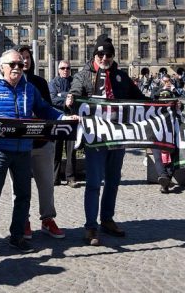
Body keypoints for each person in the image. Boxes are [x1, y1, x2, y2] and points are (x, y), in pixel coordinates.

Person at [0, 49, 76, 255]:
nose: (17, 68)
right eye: (12, 64)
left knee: (23, 196)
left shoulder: (29, 89)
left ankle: (17, 236)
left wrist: (62, 118)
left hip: (23, 150)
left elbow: (44, 109)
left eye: (20, 65)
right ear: (2, 67)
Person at [66, 35, 144, 246]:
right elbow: (75, 95)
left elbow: (141, 100)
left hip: (117, 138)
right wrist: (71, 102)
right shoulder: (83, 75)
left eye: (108, 54)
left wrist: (165, 105)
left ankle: (107, 219)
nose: (104, 58)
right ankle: (90, 226)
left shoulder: (120, 76)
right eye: (101, 54)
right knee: (93, 182)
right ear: (95, 55)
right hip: (96, 139)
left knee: (113, 181)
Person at [15, 45, 65, 240]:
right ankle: (23, 219)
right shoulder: (9, 83)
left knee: (46, 185)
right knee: (19, 187)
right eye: (21, 58)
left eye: (27, 58)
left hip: (42, 142)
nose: (24, 61)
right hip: (19, 144)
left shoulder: (39, 82)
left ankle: (47, 219)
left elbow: (48, 108)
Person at [50, 60, 77, 188]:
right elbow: (52, 98)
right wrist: (66, 99)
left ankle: (70, 178)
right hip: (58, 118)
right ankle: (55, 178)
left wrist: (62, 95)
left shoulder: (75, 81)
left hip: (71, 118)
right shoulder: (53, 83)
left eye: (68, 68)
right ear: (58, 69)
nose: (65, 70)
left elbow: (77, 96)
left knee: (71, 151)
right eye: (63, 68)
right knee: (56, 150)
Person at [153, 75, 181, 193]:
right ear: (161, 81)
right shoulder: (156, 90)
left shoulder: (174, 91)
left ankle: (166, 180)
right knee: (157, 155)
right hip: (158, 129)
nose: (167, 82)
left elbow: (183, 100)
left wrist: (174, 90)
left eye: (168, 81)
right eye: (164, 81)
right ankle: (163, 177)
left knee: (173, 156)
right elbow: (152, 97)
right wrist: (163, 89)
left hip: (172, 129)